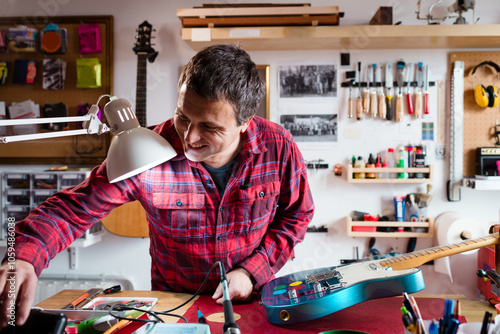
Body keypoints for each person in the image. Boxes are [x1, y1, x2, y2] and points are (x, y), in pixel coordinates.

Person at [0, 44, 314, 327]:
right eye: (183, 117)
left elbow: (297, 217)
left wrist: (252, 271)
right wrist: (24, 255)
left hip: (254, 303)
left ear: (245, 122)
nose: (189, 137)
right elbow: (72, 209)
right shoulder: (146, 153)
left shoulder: (278, 146)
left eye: (209, 127)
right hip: (171, 310)